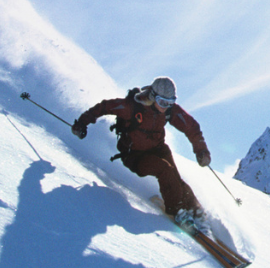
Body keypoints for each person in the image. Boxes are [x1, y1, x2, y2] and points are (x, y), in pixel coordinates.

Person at [71, 76, 210, 227]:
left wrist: (201, 150)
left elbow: (191, 126)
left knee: (175, 179)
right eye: (163, 102)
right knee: (165, 170)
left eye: (170, 103)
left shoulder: (168, 110)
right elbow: (105, 107)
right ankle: (177, 212)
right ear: (153, 96)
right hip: (135, 156)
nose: (165, 107)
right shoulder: (132, 107)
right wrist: (81, 123)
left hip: (158, 149)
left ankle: (196, 211)